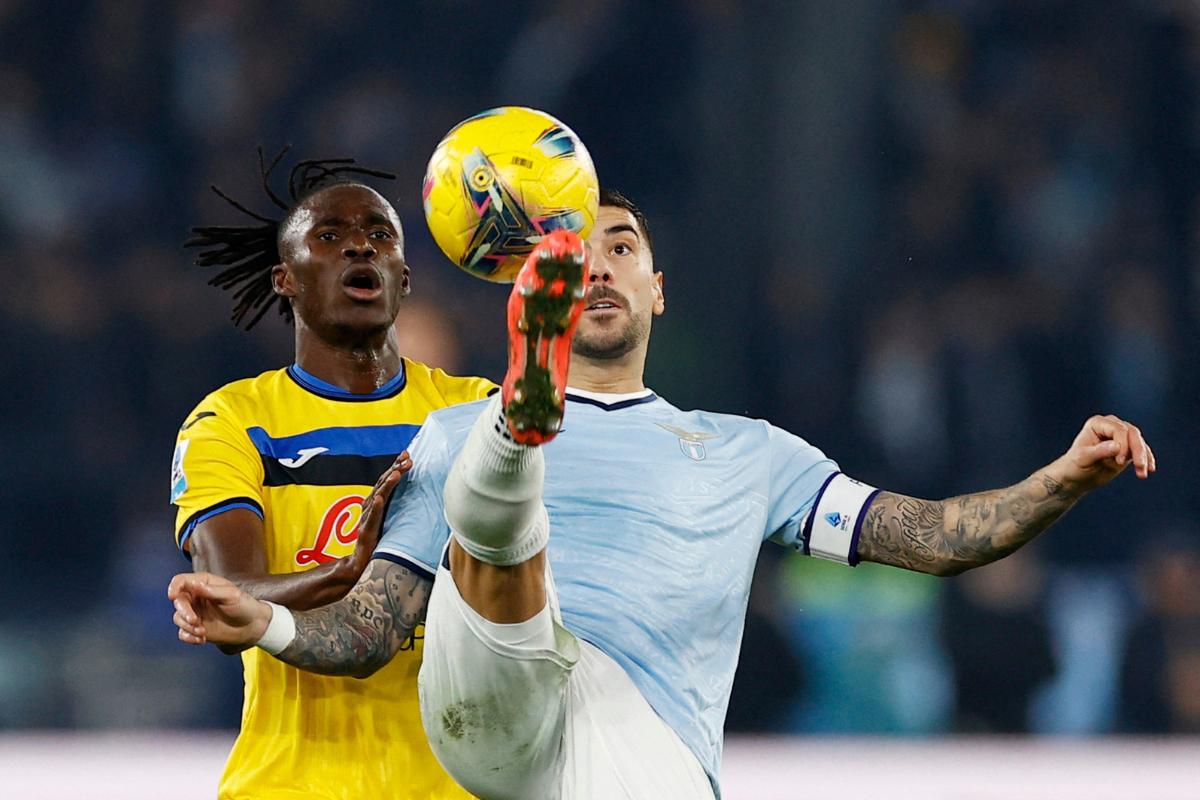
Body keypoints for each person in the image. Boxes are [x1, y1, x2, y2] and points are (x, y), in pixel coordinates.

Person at [170, 189, 1155, 799]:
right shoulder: (443, 428)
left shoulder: (746, 452)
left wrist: (1060, 478)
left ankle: (523, 443)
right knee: (495, 513)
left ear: (658, 290)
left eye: (622, 250)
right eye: (573, 255)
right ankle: (527, 434)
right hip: (496, 719)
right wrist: (271, 623)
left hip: (641, 756)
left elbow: (932, 536)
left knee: (496, 495)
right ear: (533, 296)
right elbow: (371, 627)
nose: (598, 266)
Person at [171, 149, 493, 799]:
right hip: (291, 782)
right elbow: (229, 586)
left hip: (454, 786)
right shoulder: (232, 420)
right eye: (330, 236)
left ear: (404, 280)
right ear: (285, 279)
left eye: (380, 236)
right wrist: (345, 575)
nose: (359, 248)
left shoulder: (477, 413)